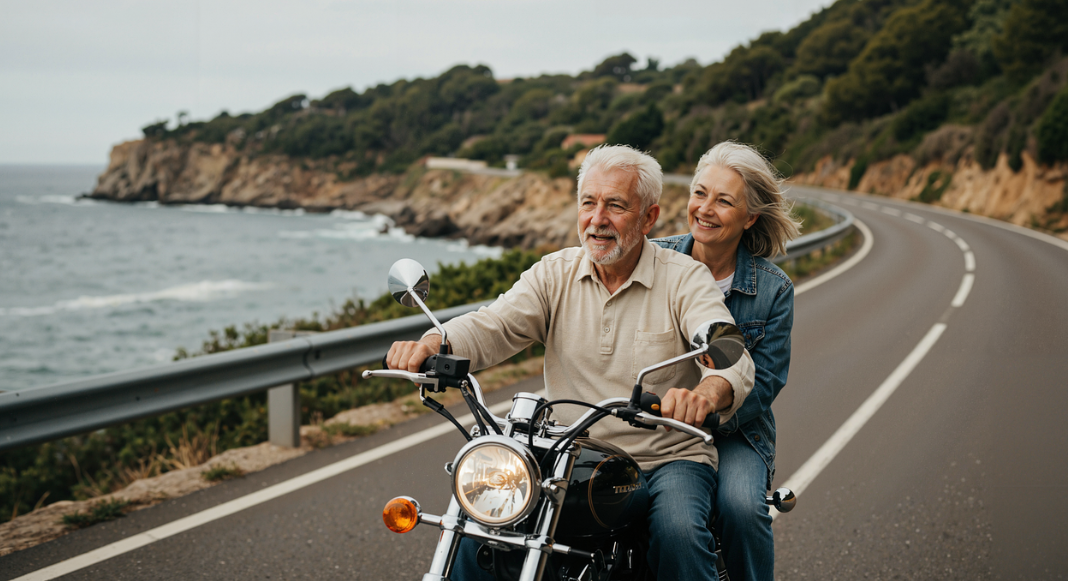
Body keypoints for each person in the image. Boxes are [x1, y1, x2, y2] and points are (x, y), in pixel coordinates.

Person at [388, 144, 755, 580]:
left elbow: (724, 344)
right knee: (482, 524)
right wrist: (435, 343)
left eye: (615, 205)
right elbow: (495, 325)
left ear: (649, 217)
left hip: (663, 458)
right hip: (566, 455)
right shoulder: (554, 273)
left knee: (679, 532)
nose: (597, 219)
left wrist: (706, 392)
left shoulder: (684, 278)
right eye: (588, 203)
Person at [653, 141, 801, 581]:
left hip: (737, 432)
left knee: (740, 508)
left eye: (723, 200)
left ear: (750, 217)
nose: (705, 209)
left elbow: (767, 379)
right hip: (656, 422)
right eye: (700, 193)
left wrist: (710, 416)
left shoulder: (774, 291)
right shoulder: (654, 259)